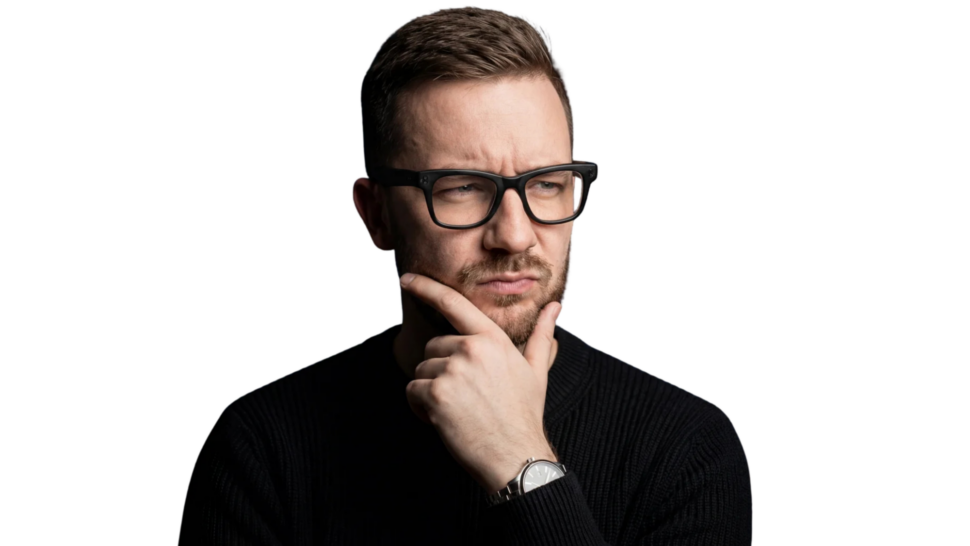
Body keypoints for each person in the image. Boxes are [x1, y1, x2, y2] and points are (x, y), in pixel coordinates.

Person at [187, 6, 753, 544]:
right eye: (461, 187)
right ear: (376, 215)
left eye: (547, 184)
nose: (515, 235)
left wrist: (520, 463)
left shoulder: (687, 446)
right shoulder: (263, 447)